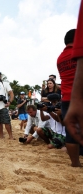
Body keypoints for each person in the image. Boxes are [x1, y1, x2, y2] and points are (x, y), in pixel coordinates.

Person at [63, 1, 83, 164]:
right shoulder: (79, 55)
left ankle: (75, 163)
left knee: (70, 132)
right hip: (79, 95)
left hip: (66, 97)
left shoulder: (60, 58)